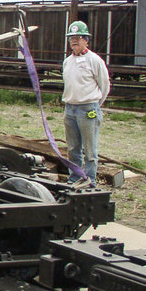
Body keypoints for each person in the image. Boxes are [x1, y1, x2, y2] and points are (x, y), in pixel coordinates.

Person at [62, 20, 110, 187]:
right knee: (73, 149)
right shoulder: (67, 62)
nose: (74, 41)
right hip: (70, 109)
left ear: (86, 40)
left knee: (90, 150)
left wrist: (94, 104)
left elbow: (104, 85)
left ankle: (90, 181)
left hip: (88, 109)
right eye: (71, 38)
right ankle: (75, 178)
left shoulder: (95, 60)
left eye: (78, 37)